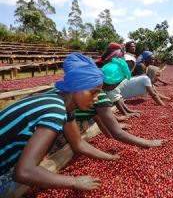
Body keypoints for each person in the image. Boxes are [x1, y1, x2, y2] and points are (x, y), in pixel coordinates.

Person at [0, 53, 119, 197]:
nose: (95, 99)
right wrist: (74, 181)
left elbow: (78, 144)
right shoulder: (55, 110)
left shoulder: (62, 102)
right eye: (93, 92)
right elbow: (23, 172)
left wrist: (109, 157)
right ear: (76, 86)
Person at [103, 59, 168, 117]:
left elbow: (118, 99)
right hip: (116, 94)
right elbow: (154, 95)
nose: (158, 78)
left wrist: (128, 111)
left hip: (117, 97)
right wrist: (164, 106)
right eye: (157, 75)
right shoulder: (146, 79)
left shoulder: (111, 85)